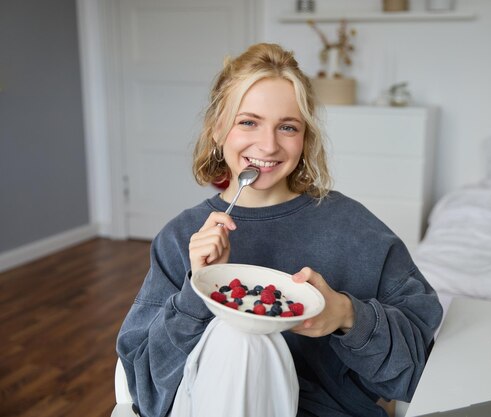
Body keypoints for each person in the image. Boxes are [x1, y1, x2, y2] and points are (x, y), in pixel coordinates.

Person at [117, 43, 443, 417]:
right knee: (239, 336)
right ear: (217, 130)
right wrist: (198, 290)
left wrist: (346, 315)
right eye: (248, 122)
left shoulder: (355, 230)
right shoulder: (182, 238)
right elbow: (146, 391)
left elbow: (419, 372)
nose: (268, 145)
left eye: (287, 127)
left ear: (305, 140)